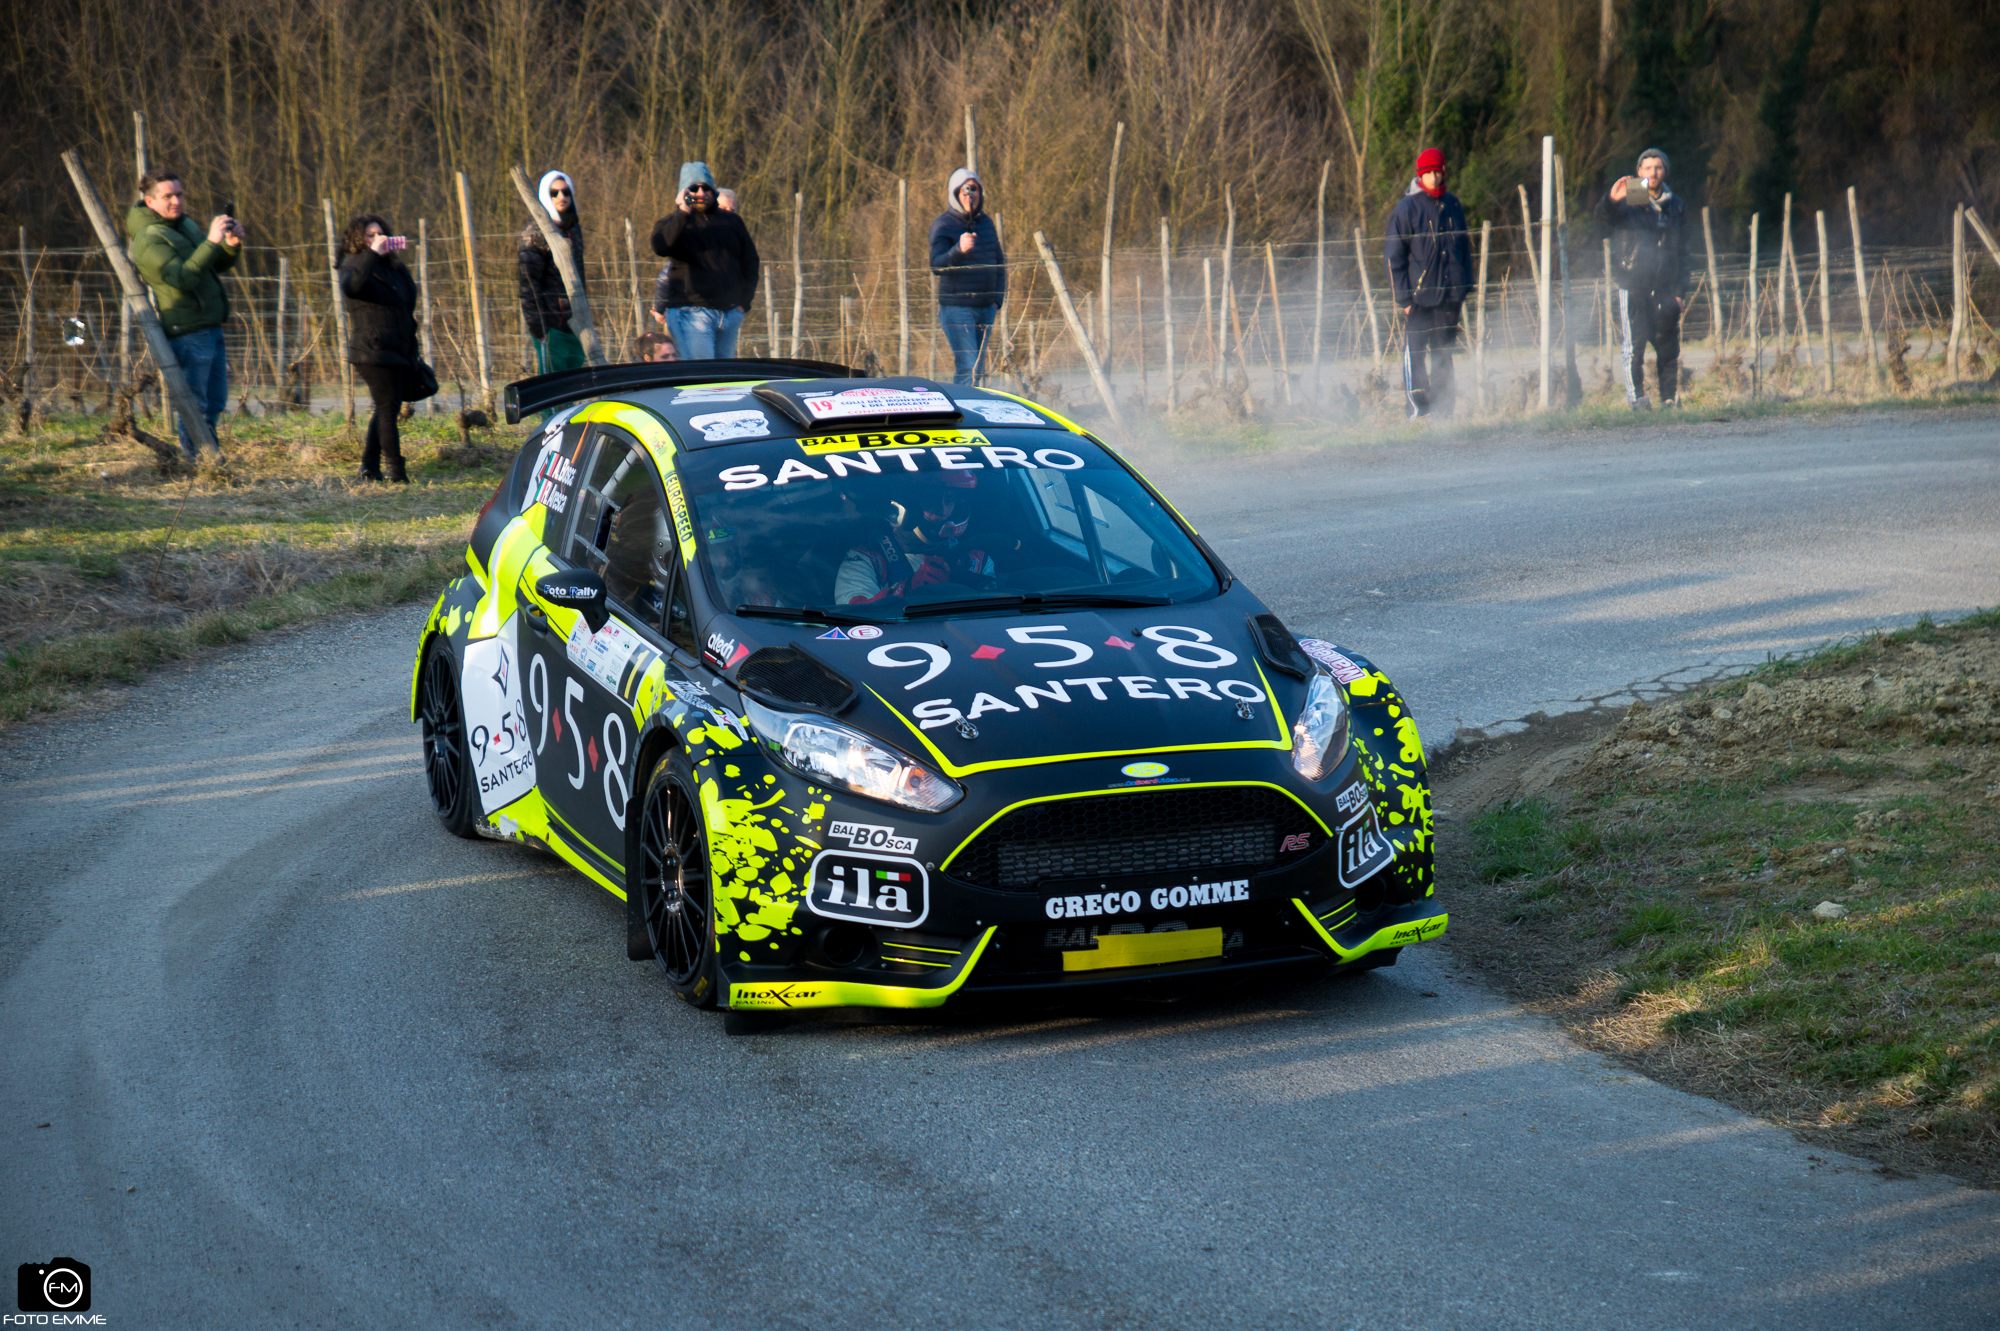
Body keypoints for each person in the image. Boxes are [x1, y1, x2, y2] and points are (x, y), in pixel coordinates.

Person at [125, 170, 242, 460]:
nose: (177, 201)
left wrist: (230, 244)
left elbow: (211, 265)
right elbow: (182, 279)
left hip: (210, 325)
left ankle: (210, 457)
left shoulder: (184, 225)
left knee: (215, 401)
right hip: (188, 331)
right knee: (195, 404)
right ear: (150, 201)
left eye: (180, 194)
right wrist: (212, 242)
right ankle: (194, 461)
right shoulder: (149, 239)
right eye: (168, 196)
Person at [1595, 148, 1691, 409]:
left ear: (1665, 171)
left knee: (1668, 347)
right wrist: (1611, 201)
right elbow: (1604, 220)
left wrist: (1680, 291)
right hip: (1633, 282)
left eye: (1657, 168)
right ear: (1639, 172)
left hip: (1665, 287)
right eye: (1647, 169)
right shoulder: (1633, 195)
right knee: (1634, 345)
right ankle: (1637, 400)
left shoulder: (1675, 205)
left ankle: (1669, 400)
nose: (1653, 173)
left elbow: (1683, 251)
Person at [1383, 147, 1472, 419]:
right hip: (1420, 297)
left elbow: (1465, 250)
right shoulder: (1406, 208)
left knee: (1443, 355)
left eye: (1438, 172)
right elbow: (1394, 257)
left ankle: (1444, 413)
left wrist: (1463, 287)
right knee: (1414, 353)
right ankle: (1417, 411)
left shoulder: (1453, 205)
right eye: (1428, 173)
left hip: (1450, 297)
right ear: (1420, 175)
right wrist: (1404, 299)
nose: (1434, 177)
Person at [338, 215, 420, 482]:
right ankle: (397, 474)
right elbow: (353, 287)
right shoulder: (351, 265)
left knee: (387, 406)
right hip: (372, 349)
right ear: (358, 240)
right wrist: (373, 254)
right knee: (387, 409)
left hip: (397, 347)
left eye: (380, 234)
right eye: (370, 235)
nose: (377, 239)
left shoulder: (394, 268)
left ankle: (370, 467)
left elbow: (409, 299)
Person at [650, 163, 760, 359]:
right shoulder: (673, 223)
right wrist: (683, 212)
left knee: (724, 378)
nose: (701, 193)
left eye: (706, 188)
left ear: (714, 191)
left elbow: (750, 261)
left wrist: (744, 303)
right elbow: (661, 247)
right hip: (691, 312)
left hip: (729, 313)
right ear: (683, 192)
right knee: (702, 375)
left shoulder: (732, 221)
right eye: (693, 188)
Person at [834, 472, 995, 605]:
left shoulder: (976, 561)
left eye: (949, 499)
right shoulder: (865, 560)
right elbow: (855, 617)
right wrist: (909, 589)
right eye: (931, 499)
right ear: (903, 503)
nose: (942, 510)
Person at [928, 168, 1006, 386]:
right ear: (955, 194)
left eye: (975, 190)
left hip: (986, 308)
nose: (970, 195)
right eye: (965, 190)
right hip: (958, 308)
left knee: (978, 368)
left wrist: (996, 300)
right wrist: (958, 250)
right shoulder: (943, 224)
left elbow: (999, 262)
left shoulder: (986, 224)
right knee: (968, 367)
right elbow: (936, 265)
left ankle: (972, 412)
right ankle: (963, 417)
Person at [518, 170, 587, 376]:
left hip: (576, 323)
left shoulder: (573, 229)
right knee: (554, 385)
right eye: (554, 193)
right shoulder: (534, 235)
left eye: (566, 192)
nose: (561, 197)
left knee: (575, 383)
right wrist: (539, 329)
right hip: (551, 325)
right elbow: (529, 286)